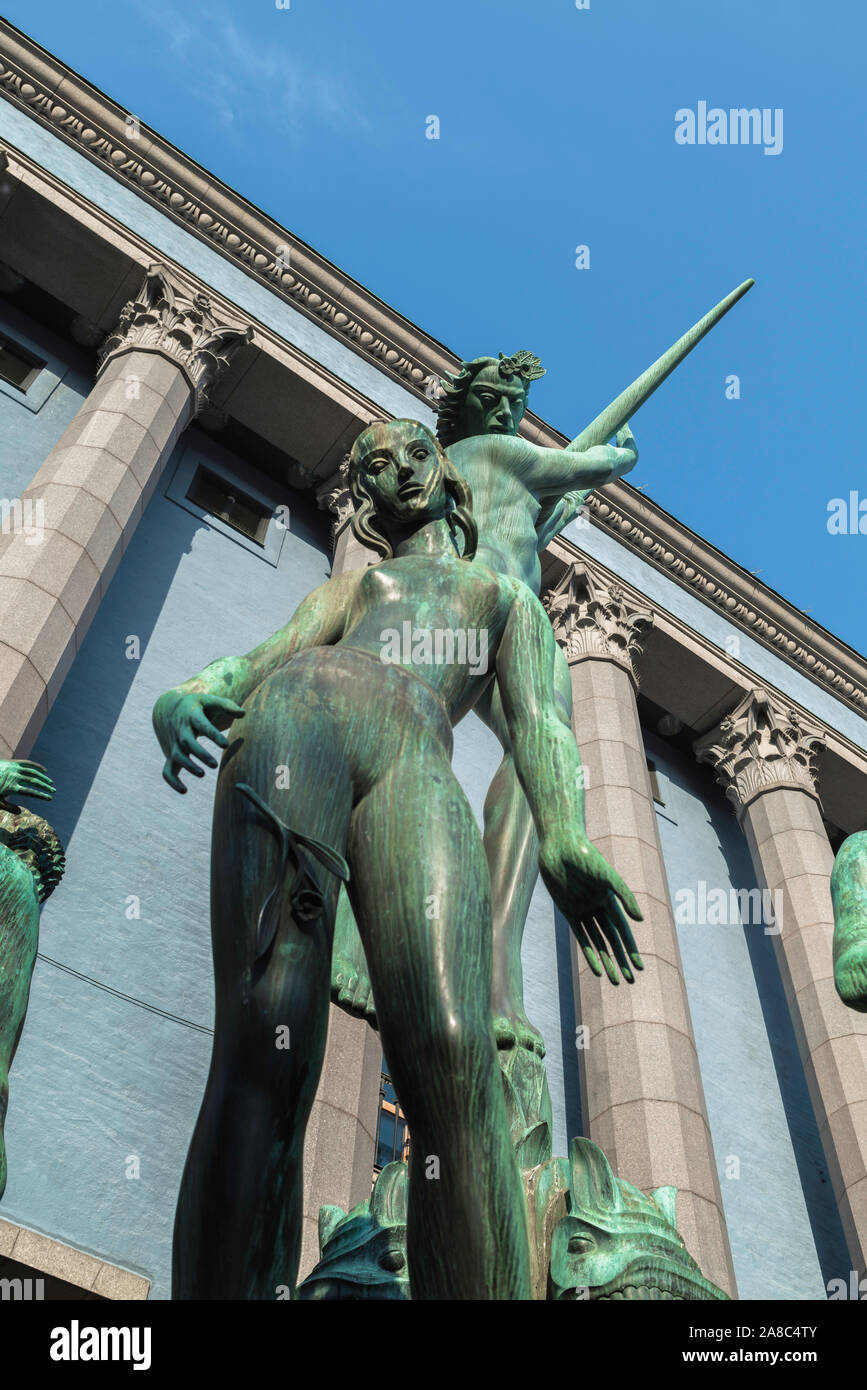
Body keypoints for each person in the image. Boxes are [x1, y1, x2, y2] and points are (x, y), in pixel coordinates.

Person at [154, 418, 641, 1300]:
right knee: (267, 1035)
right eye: (376, 465)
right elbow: (261, 662)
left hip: (415, 752)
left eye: (415, 454)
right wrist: (192, 690)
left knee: (453, 1054)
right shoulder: (357, 586)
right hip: (294, 721)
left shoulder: (501, 598)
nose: (401, 471)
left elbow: (541, 724)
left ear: (447, 475)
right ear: (367, 497)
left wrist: (565, 833)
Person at [333, 350, 640, 1055]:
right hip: (494, 612)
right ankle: (494, 976)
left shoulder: (475, 476)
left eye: (514, 402)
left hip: (470, 609)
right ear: (465, 407)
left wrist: (546, 515)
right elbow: (594, 466)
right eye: (495, 397)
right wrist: (618, 456)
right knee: (538, 756)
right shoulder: (489, 451)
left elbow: (529, 516)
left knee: (469, 758)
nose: (506, 411)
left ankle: (376, 941)